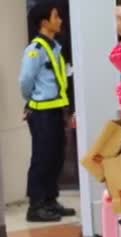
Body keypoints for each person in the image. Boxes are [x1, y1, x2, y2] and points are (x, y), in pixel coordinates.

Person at [19, 2, 76, 223]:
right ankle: (36, 205)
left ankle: (50, 200)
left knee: (56, 156)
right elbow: (25, 81)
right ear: (44, 22)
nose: (60, 20)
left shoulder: (54, 48)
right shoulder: (36, 50)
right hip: (41, 112)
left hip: (54, 111)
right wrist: (31, 101)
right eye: (55, 16)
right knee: (42, 158)